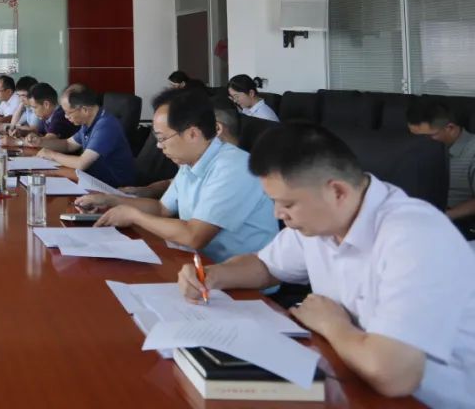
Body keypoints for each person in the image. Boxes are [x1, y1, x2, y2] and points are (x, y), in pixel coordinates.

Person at [177, 124, 475, 406]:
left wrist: (331, 324)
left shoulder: (415, 236)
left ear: (338, 191)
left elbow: (394, 375)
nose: (278, 214)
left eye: (288, 204)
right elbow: (264, 266)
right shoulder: (322, 220)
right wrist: (213, 275)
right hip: (351, 376)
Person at [75, 88, 277, 263]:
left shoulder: (232, 167)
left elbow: (194, 236)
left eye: (162, 138)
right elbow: (162, 209)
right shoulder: (192, 161)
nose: (158, 145)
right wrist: (111, 200)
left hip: (243, 282)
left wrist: (133, 216)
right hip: (200, 265)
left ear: (192, 134)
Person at [120, 96, 242, 200]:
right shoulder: (200, 158)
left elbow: (197, 223)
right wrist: (149, 190)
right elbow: (177, 182)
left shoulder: (231, 170)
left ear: (216, 128)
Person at [36, 84, 135, 188]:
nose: (66, 117)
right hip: (93, 180)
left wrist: (52, 155)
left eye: (68, 112)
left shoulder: (106, 125)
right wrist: (40, 142)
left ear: (85, 110)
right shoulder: (88, 122)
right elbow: (68, 144)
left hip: (114, 187)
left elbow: (81, 163)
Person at [406, 97, 475, 221]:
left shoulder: (472, 151)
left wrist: (442, 216)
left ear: (450, 128)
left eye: (427, 136)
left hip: (454, 220)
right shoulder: (414, 149)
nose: (419, 142)